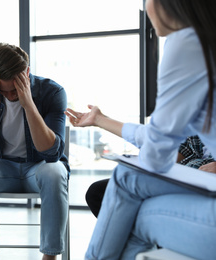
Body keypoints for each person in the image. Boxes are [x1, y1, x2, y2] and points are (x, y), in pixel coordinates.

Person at [65, 0, 216, 259]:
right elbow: (160, 137)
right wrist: (100, 119)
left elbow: (157, 154)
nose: (146, 9)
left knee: (127, 183)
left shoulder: (188, 43)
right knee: (128, 198)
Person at [0, 43, 69, 260]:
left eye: (14, 89)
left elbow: (51, 154)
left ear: (26, 73)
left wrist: (28, 104)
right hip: (3, 169)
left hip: (38, 168)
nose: (10, 96)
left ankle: (49, 257)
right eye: (4, 90)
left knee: (55, 172)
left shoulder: (52, 92)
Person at [86, 135, 216, 218]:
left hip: (201, 183)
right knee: (99, 191)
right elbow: (185, 148)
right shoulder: (201, 111)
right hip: (179, 175)